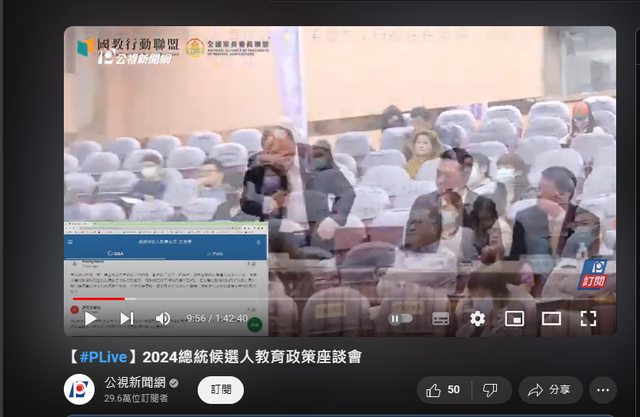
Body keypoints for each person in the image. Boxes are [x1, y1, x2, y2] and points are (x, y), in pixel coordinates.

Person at [509, 166, 598, 261]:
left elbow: (595, 262)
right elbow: (515, 261)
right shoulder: (525, 219)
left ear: (562, 195)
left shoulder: (584, 219)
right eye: (538, 189)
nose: (538, 194)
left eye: (542, 189)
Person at [408, 148, 479, 229]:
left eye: (448, 176)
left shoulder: (480, 207)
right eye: (438, 174)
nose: (440, 181)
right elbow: (413, 235)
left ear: (466, 176)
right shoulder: (423, 203)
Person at [437, 190, 479, 261]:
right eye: (438, 208)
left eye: (445, 207)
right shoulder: (432, 235)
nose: (440, 212)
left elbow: (473, 262)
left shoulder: (467, 234)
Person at [470, 195, 512, 263]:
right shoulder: (479, 227)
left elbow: (504, 255)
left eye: (487, 218)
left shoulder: (503, 228)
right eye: (481, 219)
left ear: (493, 214)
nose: (484, 222)